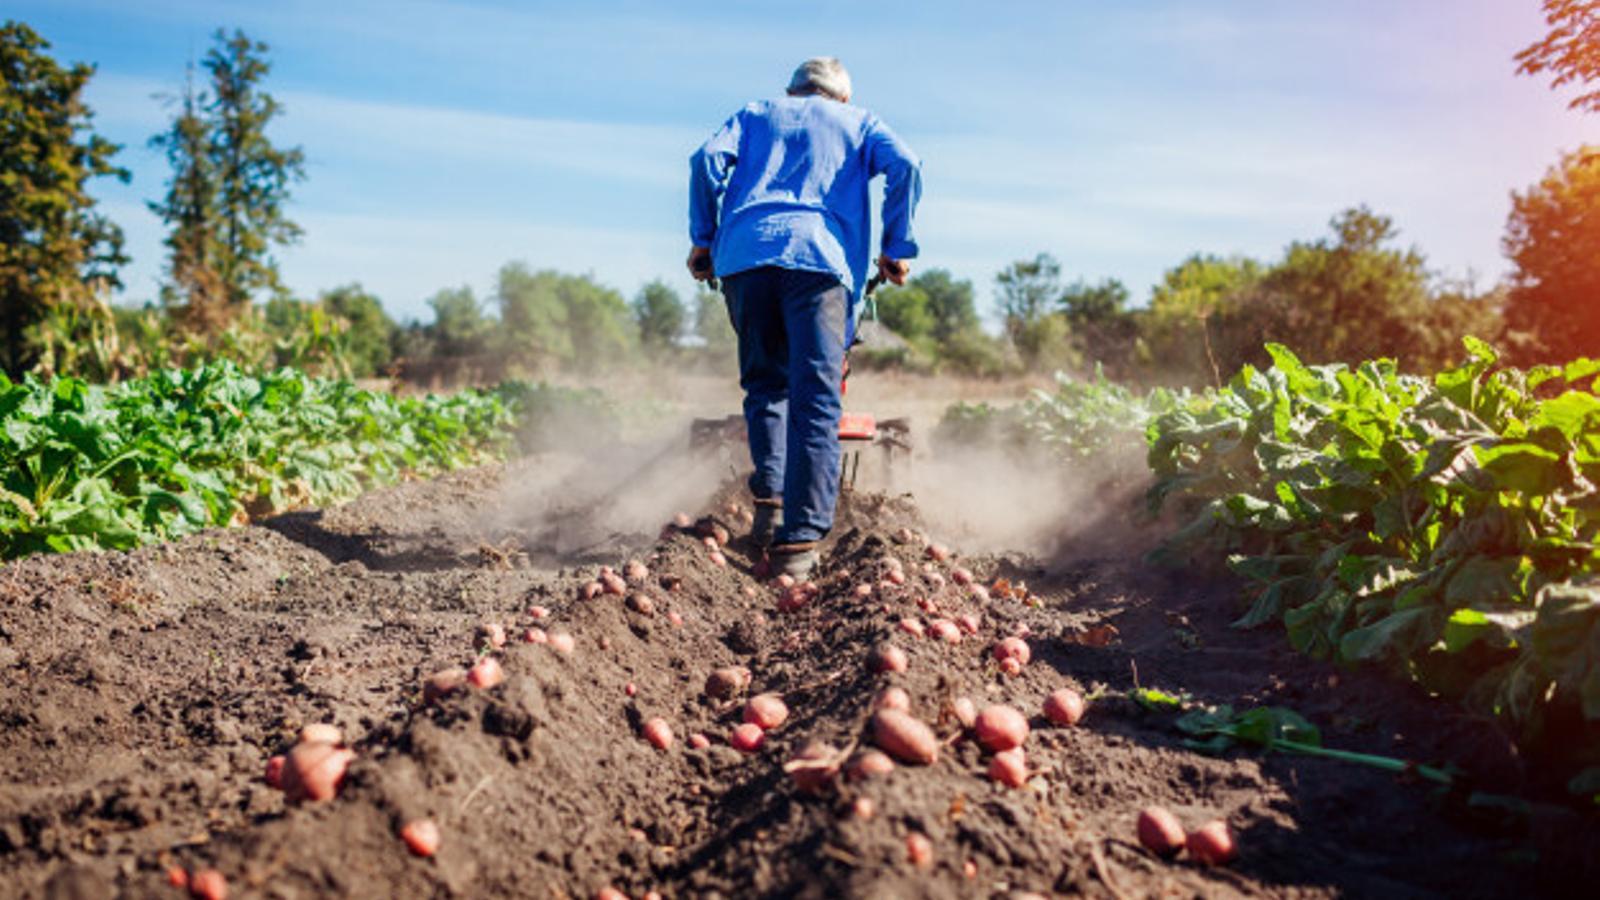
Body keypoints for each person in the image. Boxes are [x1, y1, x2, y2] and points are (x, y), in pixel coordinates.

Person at [688, 57, 922, 578]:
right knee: (816, 398)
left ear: (792, 93)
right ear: (839, 97)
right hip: (820, 260)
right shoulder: (859, 121)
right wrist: (896, 245)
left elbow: (705, 160)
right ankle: (798, 545)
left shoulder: (754, 114)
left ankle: (770, 507)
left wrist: (703, 239)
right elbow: (905, 165)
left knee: (766, 385)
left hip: (745, 257)